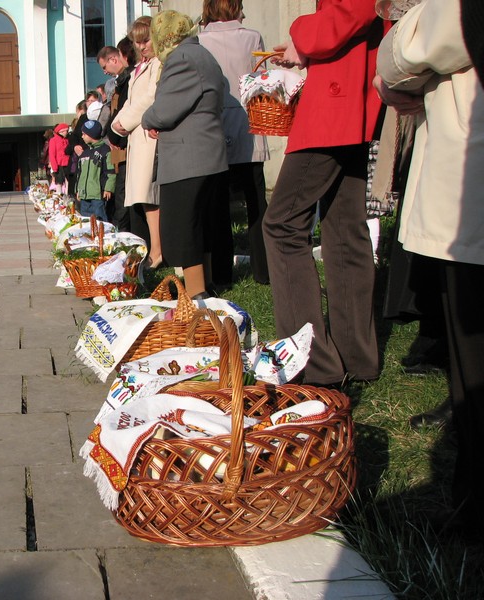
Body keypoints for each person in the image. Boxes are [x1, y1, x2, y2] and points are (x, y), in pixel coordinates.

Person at [375, 0, 484, 541]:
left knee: (474, 354)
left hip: (472, 174)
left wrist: (394, 55)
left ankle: (475, 505)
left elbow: (428, 37)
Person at [261, 0, 384, 387]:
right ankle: (355, 357)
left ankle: (312, 363)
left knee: (282, 226)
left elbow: (355, 10)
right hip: (350, 91)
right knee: (344, 227)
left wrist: (303, 35)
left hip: (336, 97)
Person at [141, 10, 228, 299]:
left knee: (184, 227)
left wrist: (147, 119)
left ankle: (196, 293)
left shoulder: (180, 58)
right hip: (207, 153)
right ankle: (206, 285)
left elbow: (164, 110)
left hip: (187, 157)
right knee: (202, 226)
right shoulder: (202, 54)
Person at [198, 0, 271, 286]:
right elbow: (262, 80)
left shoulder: (199, 41)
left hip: (213, 125)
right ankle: (264, 270)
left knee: (218, 205)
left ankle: (221, 274)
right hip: (248, 122)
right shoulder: (252, 37)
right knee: (256, 202)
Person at [112, 16, 164, 267]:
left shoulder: (159, 64)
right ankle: (153, 249)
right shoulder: (141, 67)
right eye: (137, 42)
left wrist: (126, 121)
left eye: (146, 41)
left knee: (150, 196)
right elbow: (131, 101)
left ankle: (158, 250)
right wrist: (117, 124)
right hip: (137, 136)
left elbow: (150, 97)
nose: (141, 47)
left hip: (147, 135)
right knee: (144, 198)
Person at [99, 43, 133, 231]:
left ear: (114, 59)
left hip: (125, 145)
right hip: (119, 147)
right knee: (122, 195)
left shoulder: (128, 79)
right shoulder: (120, 82)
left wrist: (115, 137)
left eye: (104, 67)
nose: (104, 72)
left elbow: (122, 112)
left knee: (124, 196)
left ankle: (125, 235)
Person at [75, 120, 115, 222]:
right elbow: (79, 173)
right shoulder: (85, 153)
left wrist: (108, 188)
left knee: (100, 220)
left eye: (84, 134)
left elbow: (110, 171)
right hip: (84, 195)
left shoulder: (105, 150)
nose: (82, 137)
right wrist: (78, 190)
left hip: (98, 195)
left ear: (91, 135)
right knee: (85, 221)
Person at [48, 123, 70, 194]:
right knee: (59, 183)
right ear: (61, 131)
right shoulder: (53, 140)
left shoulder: (67, 140)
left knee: (68, 182)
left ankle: (67, 196)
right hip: (59, 165)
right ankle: (59, 196)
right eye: (66, 131)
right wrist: (54, 167)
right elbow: (52, 154)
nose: (67, 132)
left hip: (67, 164)